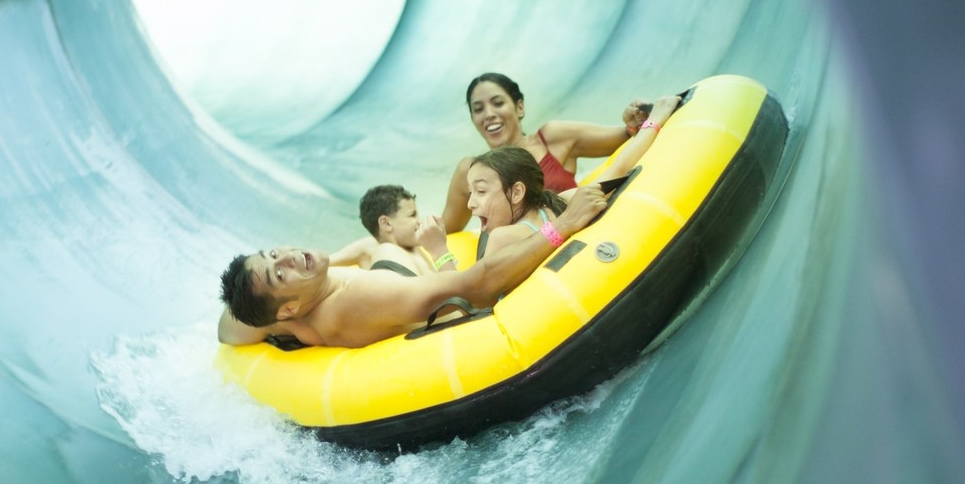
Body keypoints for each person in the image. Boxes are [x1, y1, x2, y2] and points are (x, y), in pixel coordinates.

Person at [216, 186, 609, 349]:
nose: (285, 257)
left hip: (380, 286)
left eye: (273, 253)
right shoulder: (364, 294)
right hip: (444, 309)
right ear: (288, 308)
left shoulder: (285, 315)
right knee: (522, 224)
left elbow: (227, 328)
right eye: (278, 274)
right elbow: (477, 285)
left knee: (374, 248)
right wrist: (564, 225)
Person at [466, 94, 683, 260]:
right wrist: (655, 120)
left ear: (516, 193)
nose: (470, 204)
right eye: (471, 193)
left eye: (481, 191)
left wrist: (445, 257)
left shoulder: (500, 238)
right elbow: (620, 168)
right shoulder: (562, 202)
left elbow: (479, 293)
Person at [440, 72, 650, 232]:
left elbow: (628, 135)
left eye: (498, 103)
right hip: (524, 265)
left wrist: (636, 118)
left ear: (519, 107)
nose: (489, 114)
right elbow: (448, 231)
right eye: (478, 109)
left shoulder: (553, 138)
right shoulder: (469, 171)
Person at [329, 185, 441, 277]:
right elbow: (324, 263)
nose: (420, 221)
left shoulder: (414, 246)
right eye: (412, 215)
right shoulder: (369, 246)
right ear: (386, 223)